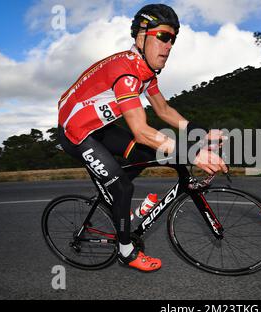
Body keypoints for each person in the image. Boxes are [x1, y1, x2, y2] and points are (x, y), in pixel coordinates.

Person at [57, 4, 227, 272]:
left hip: (99, 127)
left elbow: (163, 110)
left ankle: (116, 201)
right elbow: (142, 131)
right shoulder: (126, 73)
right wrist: (194, 153)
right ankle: (125, 249)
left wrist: (202, 132)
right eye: (162, 37)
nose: (169, 45)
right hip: (76, 133)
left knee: (146, 156)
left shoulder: (146, 72)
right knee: (123, 186)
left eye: (172, 39)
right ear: (141, 37)